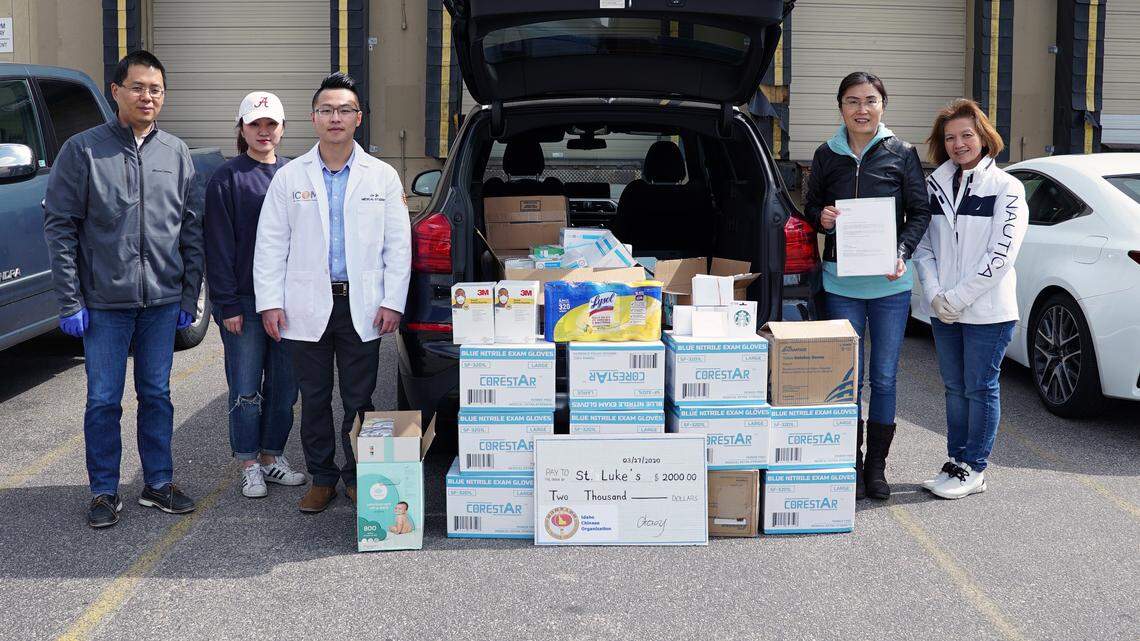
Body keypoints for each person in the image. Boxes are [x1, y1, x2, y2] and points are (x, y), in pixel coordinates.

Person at [43, 50, 203, 528]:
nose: (147, 96)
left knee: (157, 394)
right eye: (137, 87)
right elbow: (61, 225)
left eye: (155, 89)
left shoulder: (176, 153)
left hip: (160, 302)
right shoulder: (84, 150)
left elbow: (190, 230)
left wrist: (188, 295)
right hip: (104, 305)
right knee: (103, 400)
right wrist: (70, 299)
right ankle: (103, 491)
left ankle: (157, 483)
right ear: (116, 91)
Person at [254, 72, 411, 513]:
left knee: (359, 399)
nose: (335, 117)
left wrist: (392, 301)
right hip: (306, 305)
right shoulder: (290, 177)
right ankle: (322, 478)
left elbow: (398, 246)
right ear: (313, 118)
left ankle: (359, 476)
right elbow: (270, 243)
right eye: (327, 110)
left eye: (344, 110)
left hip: (361, 305)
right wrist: (269, 302)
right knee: (316, 398)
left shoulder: (381, 176)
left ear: (358, 118)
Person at [802, 71, 932, 501]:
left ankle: (876, 468)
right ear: (841, 107)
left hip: (890, 284)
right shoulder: (826, 154)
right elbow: (809, 207)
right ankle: (849, 463)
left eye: (870, 100)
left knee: (885, 377)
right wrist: (820, 218)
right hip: (841, 283)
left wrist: (902, 251)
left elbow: (919, 212)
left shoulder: (902, 152)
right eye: (854, 101)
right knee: (848, 379)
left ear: (883, 105)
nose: (862, 109)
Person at [913, 99, 1028, 499]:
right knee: (954, 388)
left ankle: (975, 467)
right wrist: (935, 295)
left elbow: (1002, 254)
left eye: (966, 135)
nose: (958, 144)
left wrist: (958, 297)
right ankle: (956, 461)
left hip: (988, 312)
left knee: (980, 388)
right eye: (950, 138)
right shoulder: (935, 186)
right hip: (944, 309)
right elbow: (923, 246)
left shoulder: (1007, 188)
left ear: (983, 136)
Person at [204, 91, 306, 499]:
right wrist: (226, 303)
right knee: (246, 387)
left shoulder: (295, 175)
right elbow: (218, 246)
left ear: (282, 129)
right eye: (255, 124)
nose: (264, 132)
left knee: (285, 386)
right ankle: (248, 463)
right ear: (241, 129)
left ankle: (272, 457)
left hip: (289, 301)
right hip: (243, 304)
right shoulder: (226, 178)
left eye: (271, 124)